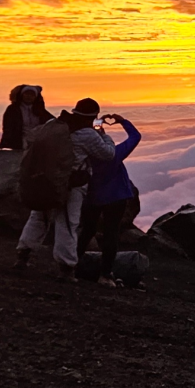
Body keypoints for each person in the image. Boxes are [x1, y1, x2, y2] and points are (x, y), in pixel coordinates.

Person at [14, 98, 116, 282]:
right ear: (93, 116)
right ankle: (66, 268)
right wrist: (103, 134)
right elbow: (108, 154)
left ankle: (23, 256)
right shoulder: (88, 134)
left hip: (46, 181)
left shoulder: (54, 124)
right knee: (68, 224)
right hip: (73, 185)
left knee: (38, 217)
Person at [76, 114, 142, 288]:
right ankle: (105, 274)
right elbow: (135, 137)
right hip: (117, 197)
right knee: (111, 233)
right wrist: (122, 121)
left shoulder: (85, 156)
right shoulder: (115, 155)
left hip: (93, 197)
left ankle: (71, 265)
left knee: (87, 231)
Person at [0, 85, 54, 150]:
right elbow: (8, 127)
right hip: (18, 139)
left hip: (38, 137)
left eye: (32, 94)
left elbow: (52, 122)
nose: (29, 96)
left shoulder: (40, 109)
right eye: (26, 94)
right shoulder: (13, 109)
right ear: (22, 95)